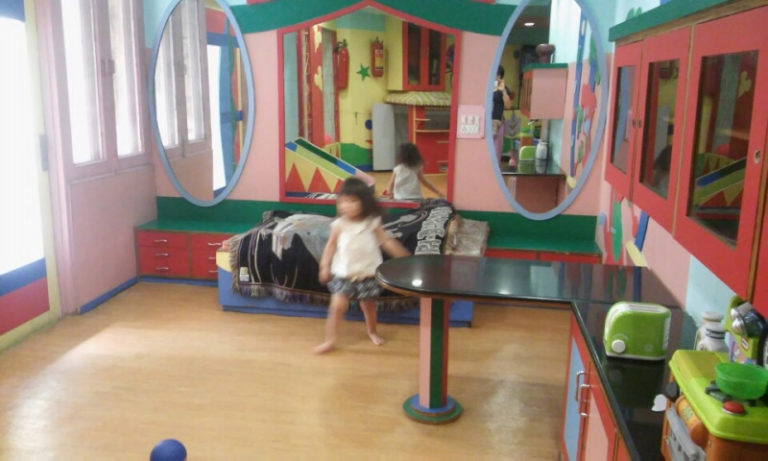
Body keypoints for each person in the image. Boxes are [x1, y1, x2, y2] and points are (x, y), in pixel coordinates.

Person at [315, 177, 410, 354]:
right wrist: (324, 266)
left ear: (364, 202)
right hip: (344, 274)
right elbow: (330, 246)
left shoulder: (372, 222)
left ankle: (372, 331)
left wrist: (402, 255)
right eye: (343, 201)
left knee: (369, 307)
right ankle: (330, 340)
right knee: (337, 307)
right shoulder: (339, 224)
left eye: (352, 201)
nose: (346, 206)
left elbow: (386, 241)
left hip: (367, 274)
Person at [492, 65, 515, 168]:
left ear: (500, 77)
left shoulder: (503, 88)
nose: (495, 77)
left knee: (496, 150)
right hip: (486, 122)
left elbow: (508, 105)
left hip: (497, 122)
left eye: (497, 75)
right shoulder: (487, 86)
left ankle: (494, 169)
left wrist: (503, 90)